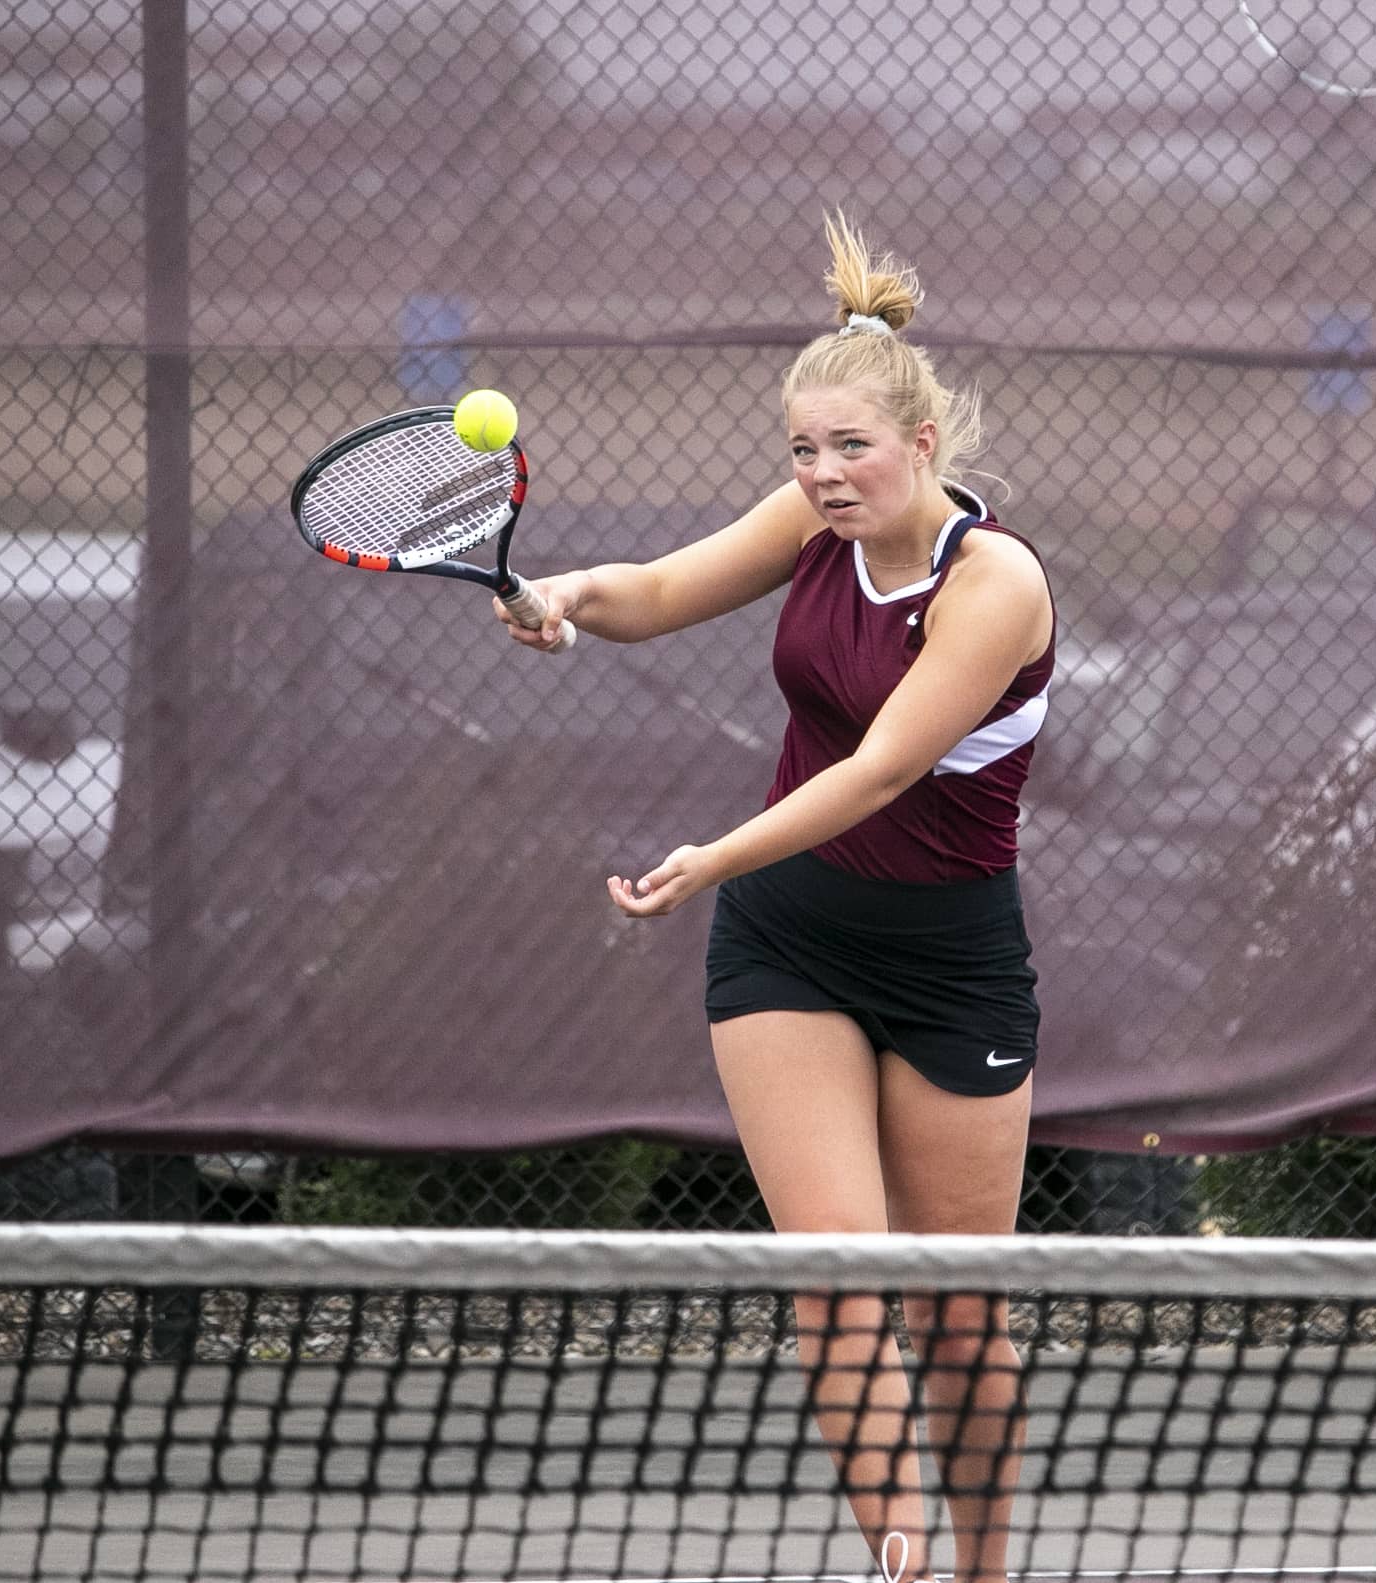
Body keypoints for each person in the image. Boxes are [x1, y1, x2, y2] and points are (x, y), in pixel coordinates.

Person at [493, 213, 1055, 1583]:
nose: (820, 474)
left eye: (848, 447)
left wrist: (712, 856)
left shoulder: (995, 586)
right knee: (835, 1289)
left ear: (925, 444)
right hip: (788, 947)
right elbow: (665, 588)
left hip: (951, 963)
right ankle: (901, 1566)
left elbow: (877, 773)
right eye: (801, 451)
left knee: (959, 1328)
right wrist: (568, 592)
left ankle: (983, 1573)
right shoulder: (809, 524)